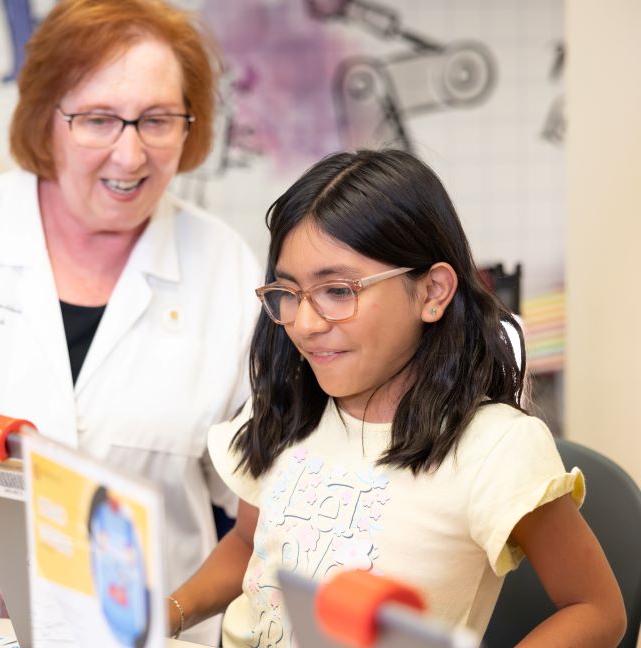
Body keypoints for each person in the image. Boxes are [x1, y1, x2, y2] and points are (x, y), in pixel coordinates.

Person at [0, 0, 260, 643]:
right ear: (46, 118)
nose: (130, 155)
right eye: (98, 120)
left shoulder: (225, 267)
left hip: (146, 635)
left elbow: (261, 490)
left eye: (157, 120)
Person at [166, 149, 627, 647]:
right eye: (289, 293)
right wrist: (170, 613)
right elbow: (247, 543)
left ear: (432, 292)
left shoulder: (495, 448)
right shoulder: (286, 406)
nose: (306, 323)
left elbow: (596, 610)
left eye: (338, 291)